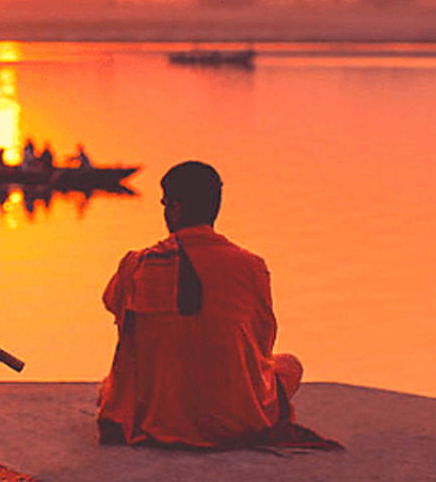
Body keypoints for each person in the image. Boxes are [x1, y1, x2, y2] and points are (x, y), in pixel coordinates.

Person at [96, 161, 304, 448]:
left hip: (158, 418)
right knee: (290, 366)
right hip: (236, 418)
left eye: (165, 204)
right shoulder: (251, 266)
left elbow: (112, 303)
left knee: (110, 389)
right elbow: (262, 341)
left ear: (175, 209)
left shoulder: (137, 265)